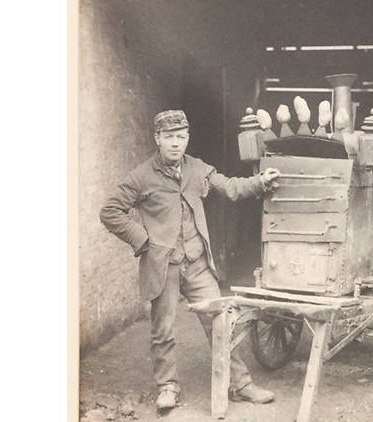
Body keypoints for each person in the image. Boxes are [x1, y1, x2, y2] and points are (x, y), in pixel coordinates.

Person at [100, 109, 280, 411]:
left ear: (187, 138)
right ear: (157, 138)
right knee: (163, 330)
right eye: (169, 137)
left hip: (197, 265)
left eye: (180, 137)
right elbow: (110, 211)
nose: (175, 144)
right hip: (163, 267)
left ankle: (241, 384)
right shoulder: (141, 176)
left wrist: (261, 181)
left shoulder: (198, 169)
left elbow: (231, 188)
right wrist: (142, 239)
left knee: (220, 323)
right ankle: (167, 387)